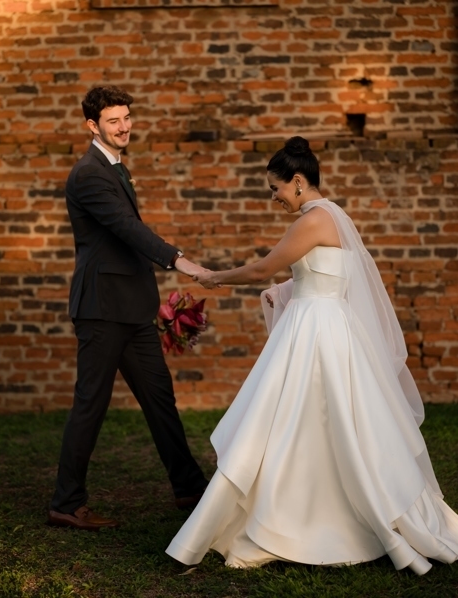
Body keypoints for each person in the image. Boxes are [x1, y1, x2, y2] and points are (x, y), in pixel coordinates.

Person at [166, 136, 458, 574]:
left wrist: (213, 277)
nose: (274, 197)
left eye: (276, 188)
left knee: (292, 418)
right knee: (310, 421)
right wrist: (285, 291)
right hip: (326, 325)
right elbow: (328, 276)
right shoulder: (332, 216)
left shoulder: (314, 218)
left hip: (316, 331)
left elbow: (263, 267)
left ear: (298, 181)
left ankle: (307, 517)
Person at [48, 85, 208, 531]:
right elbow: (126, 229)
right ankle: (67, 502)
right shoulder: (88, 174)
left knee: (160, 398)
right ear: (92, 126)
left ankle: (190, 486)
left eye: (127, 118)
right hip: (102, 309)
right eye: (113, 121)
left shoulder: (116, 167)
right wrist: (180, 261)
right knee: (91, 405)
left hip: (132, 309)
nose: (124, 127)